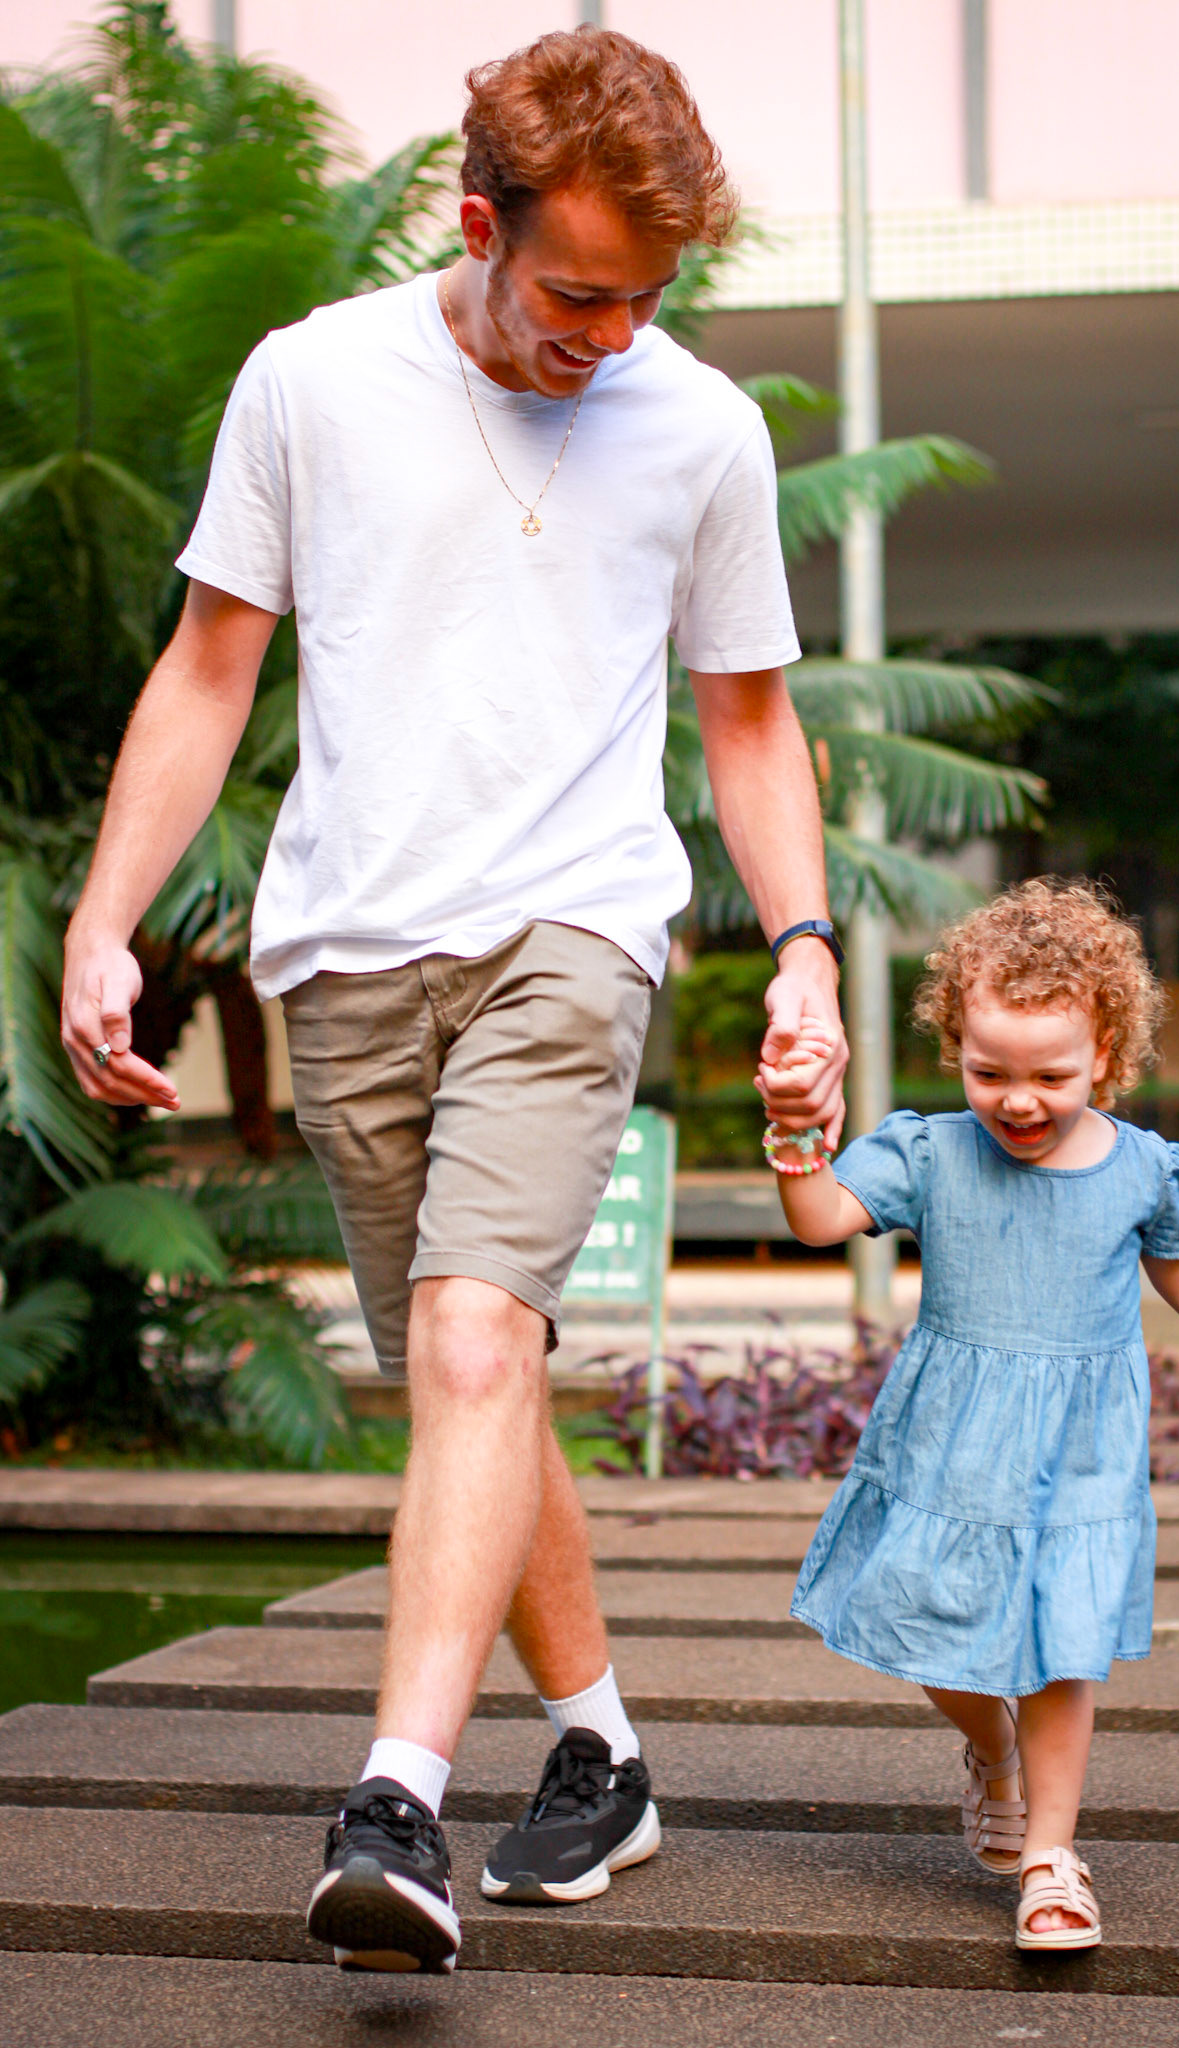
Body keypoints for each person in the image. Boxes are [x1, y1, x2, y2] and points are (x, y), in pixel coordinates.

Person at [60, 26, 847, 1974]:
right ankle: (604, 1749)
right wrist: (103, 921)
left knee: (478, 1337)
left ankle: (395, 1795)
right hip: (346, 949)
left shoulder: (699, 427)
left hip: (573, 929)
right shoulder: (312, 379)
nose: (613, 334)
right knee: (462, 1372)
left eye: (647, 297)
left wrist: (807, 946)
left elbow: (749, 718)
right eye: (578, 293)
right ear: (480, 225)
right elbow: (210, 664)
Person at [758, 877, 1179, 1952]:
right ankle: (992, 1750)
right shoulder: (932, 1152)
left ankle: (1051, 1857)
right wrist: (796, 1129)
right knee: (933, 1628)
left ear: (1106, 1053)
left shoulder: (1142, 1169)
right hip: (952, 1440)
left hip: (1080, 1451)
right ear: (957, 1045)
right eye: (989, 1072)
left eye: (1052, 1075)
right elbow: (816, 1219)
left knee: (1060, 1644)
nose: (1019, 1101)